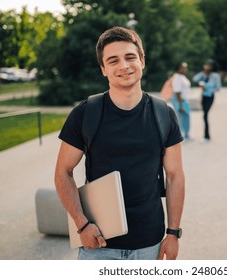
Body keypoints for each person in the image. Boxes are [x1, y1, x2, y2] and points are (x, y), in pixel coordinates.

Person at [54, 26, 185, 260]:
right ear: (103, 69)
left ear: (142, 61)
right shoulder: (85, 114)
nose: (124, 66)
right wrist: (82, 225)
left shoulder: (164, 114)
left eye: (130, 57)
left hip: (149, 245)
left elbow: (174, 176)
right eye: (113, 60)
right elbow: (63, 172)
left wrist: (173, 233)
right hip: (98, 244)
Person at [192, 59, 222, 143]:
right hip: (203, 97)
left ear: (212, 66)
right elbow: (195, 79)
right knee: (204, 116)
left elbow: (218, 88)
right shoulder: (204, 74)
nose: (206, 66)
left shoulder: (215, 75)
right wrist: (203, 72)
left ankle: (206, 136)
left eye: (208, 65)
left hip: (210, 97)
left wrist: (206, 86)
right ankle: (206, 136)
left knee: (205, 115)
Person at [170, 62, 192, 141]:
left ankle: (186, 135)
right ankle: (182, 137)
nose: (185, 69)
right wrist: (181, 106)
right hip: (180, 101)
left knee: (186, 118)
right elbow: (177, 93)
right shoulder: (177, 78)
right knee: (182, 118)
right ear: (179, 68)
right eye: (184, 67)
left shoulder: (182, 77)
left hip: (184, 100)